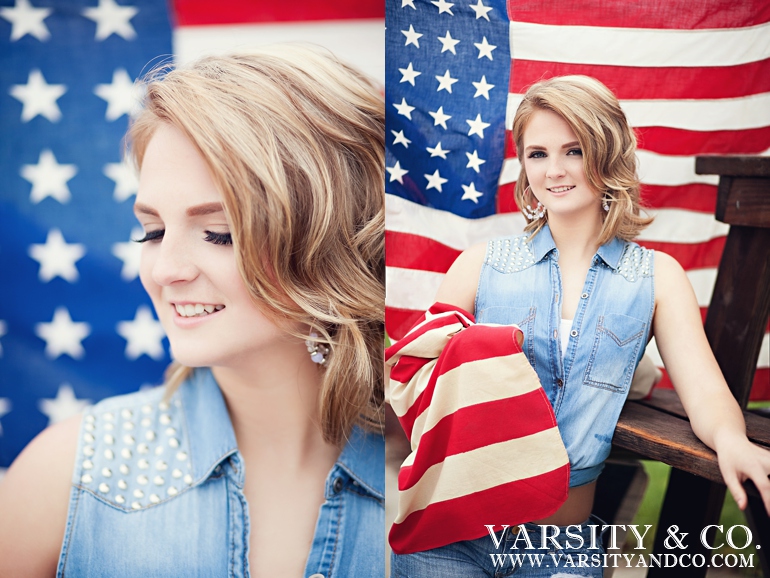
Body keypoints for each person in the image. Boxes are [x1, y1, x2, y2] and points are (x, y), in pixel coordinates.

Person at [0, 45, 385, 578]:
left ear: (332, 242)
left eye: (218, 234)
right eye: (153, 231)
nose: (166, 270)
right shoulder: (63, 479)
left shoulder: (445, 479)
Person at [389, 75, 770, 577]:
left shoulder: (657, 277)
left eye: (574, 150)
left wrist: (732, 441)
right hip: (450, 532)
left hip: (562, 547)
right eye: (537, 154)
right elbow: (416, 385)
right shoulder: (479, 265)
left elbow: (703, 391)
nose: (555, 170)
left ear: (606, 153)